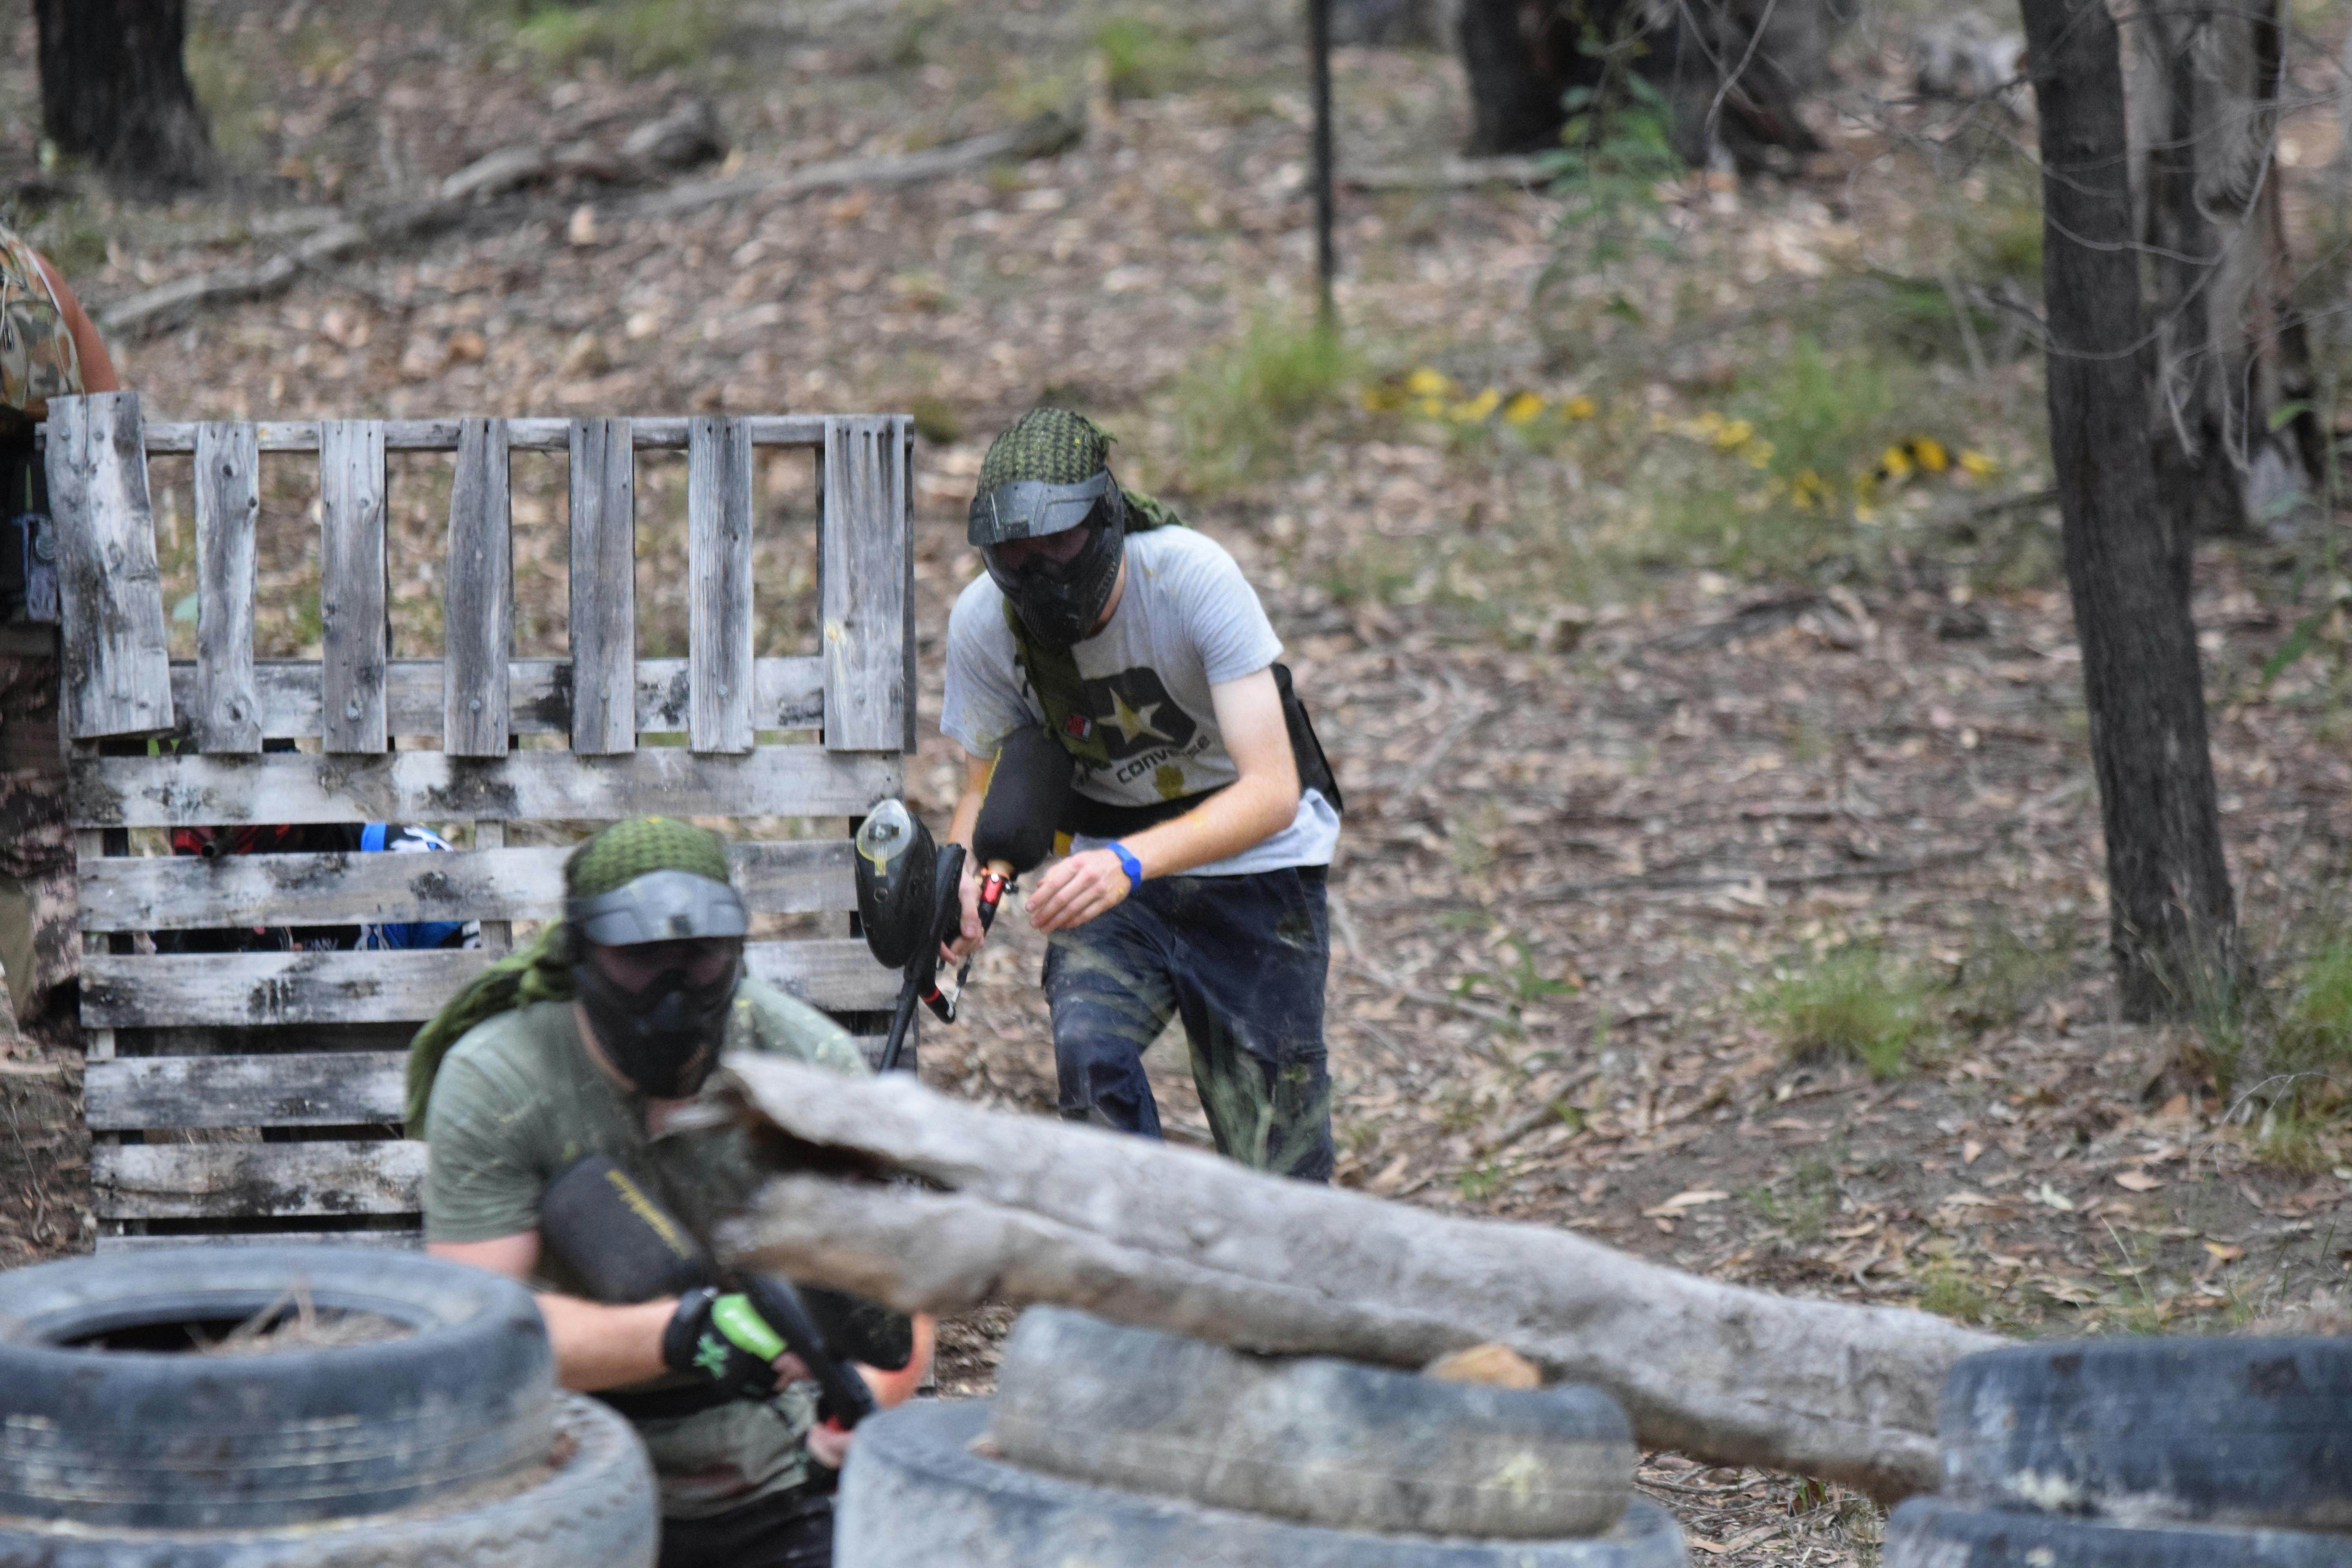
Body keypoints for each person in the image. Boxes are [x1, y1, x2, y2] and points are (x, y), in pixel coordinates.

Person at [413, 815, 927, 1568]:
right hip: (556, 1460)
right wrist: (690, 1333)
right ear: (582, 955)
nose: (673, 989)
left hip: (773, 1468)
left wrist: (854, 1413)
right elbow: (480, 1332)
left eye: (700, 958)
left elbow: (900, 1314)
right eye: (639, 960)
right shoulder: (502, 1078)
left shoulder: (804, 1069)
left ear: (736, 951)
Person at [940, 408, 1342, 1181]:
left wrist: (1128, 862)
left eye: (1059, 542)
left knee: (1273, 1144)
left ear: (1105, 517)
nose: (1041, 572)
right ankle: (1132, 1264)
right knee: (1091, 1062)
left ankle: (1288, 1295)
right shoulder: (986, 624)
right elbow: (980, 782)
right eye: (1015, 554)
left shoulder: (1190, 577)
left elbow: (1274, 790)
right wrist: (967, 872)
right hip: (1114, 879)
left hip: (1258, 864)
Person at [0, 219, 118, 1055]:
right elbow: (110, 425)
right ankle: (82, 1021)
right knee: (41, 839)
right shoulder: (29, 274)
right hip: (32, 611)